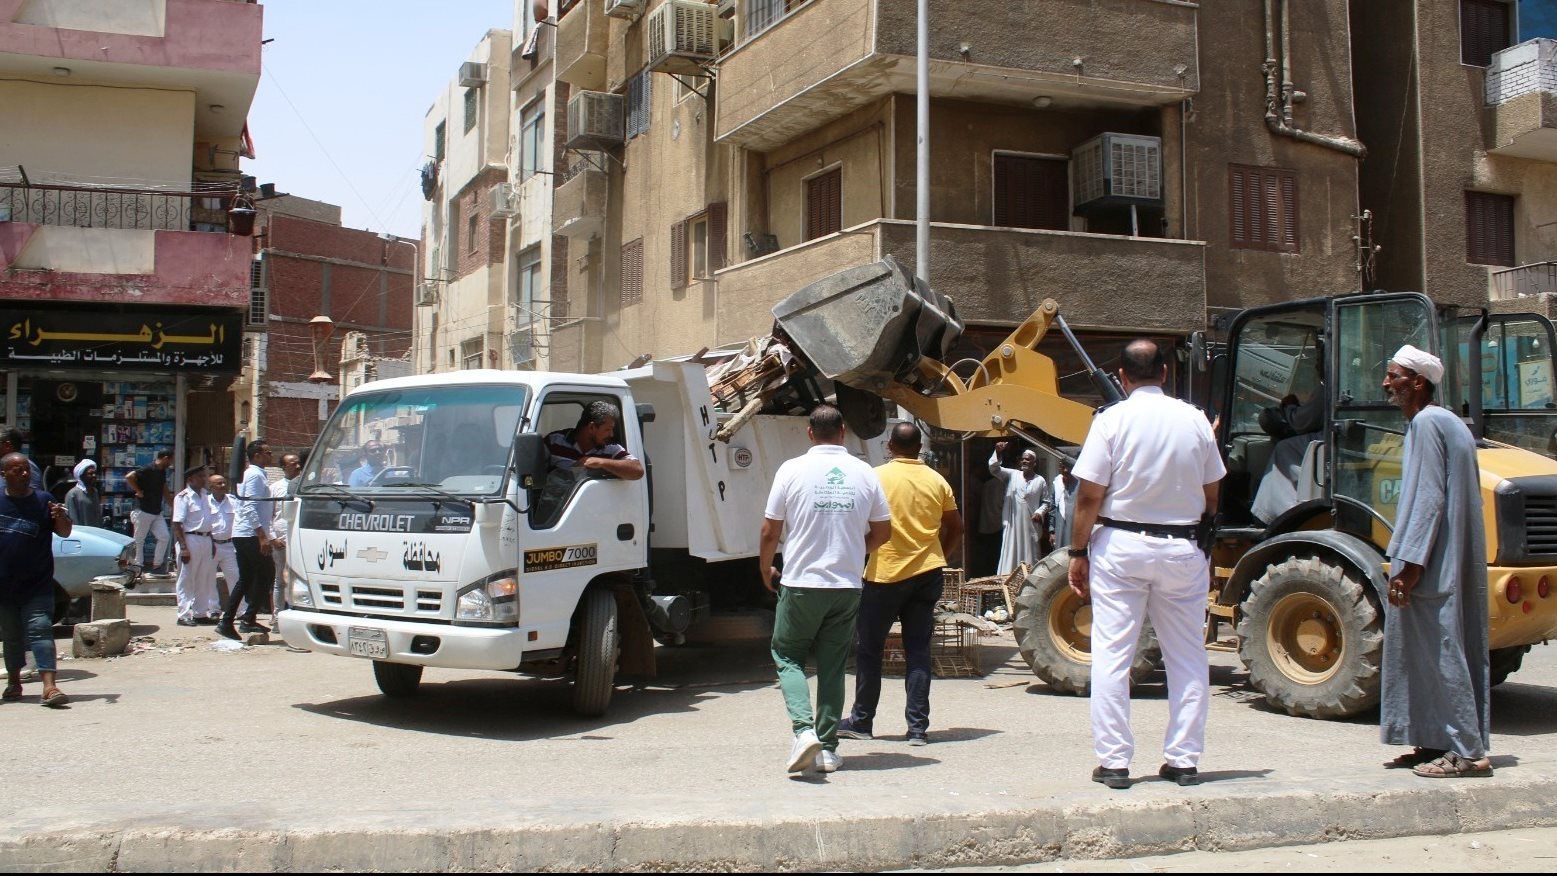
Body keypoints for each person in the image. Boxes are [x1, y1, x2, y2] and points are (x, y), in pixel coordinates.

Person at [1068, 339, 1225, 790]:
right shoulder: (1195, 420)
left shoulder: (1111, 420)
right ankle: (1183, 760)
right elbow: (1213, 491)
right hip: (1183, 547)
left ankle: (1115, 763)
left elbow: (1090, 494)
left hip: (1122, 546)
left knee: (1114, 655)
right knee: (1188, 657)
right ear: (1165, 375)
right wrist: (1205, 543)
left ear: (1122, 377)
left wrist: (1078, 554)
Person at [1378, 345, 1493, 779]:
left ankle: (1467, 750)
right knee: (1431, 651)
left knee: (1442, 651)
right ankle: (1435, 739)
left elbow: (1428, 499)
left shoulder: (1427, 423)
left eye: (1394, 376)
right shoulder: (1448, 423)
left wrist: (1410, 563)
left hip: (1432, 562)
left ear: (1418, 382)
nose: (1387, 384)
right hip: (1447, 557)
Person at [759, 405, 891, 775]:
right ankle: (828, 749)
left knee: (787, 655)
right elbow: (883, 533)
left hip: (800, 582)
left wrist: (764, 566)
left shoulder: (791, 470)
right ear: (843, 431)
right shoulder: (865, 472)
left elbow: (770, 530)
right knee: (833, 667)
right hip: (846, 585)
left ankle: (803, 732)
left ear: (809, 433)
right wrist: (852, 550)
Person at [838, 422, 962, 747]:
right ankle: (917, 729)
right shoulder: (938, 481)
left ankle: (862, 721)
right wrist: (938, 554)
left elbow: (857, 520)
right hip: (927, 575)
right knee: (918, 651)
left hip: (885, 575)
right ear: (919, 447)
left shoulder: (876, 476)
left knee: (869, 650)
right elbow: (956, 528)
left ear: (890, 446)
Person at [0, 452, 73, 707]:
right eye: (16, 470)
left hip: (37, 583)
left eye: (25, 469)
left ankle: (49, 686)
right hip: (4, 586)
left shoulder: (44, 501)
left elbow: (64, 531)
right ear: (4, 474)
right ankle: (14, 683)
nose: (23, 473)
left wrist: (60, 516)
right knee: (10, 636)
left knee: (40, 629)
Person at [1251, 355, 1328, 525]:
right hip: (1331, 441)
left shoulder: (1327, 388)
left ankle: (1274, 514)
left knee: (1284, 448)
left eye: (1319, 360)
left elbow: (1301, 422)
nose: (1316, 365)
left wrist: (1289, 405)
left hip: (1327, 443)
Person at [220, 439, 275, 640]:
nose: (271, 455)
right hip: (250, 534)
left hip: (245, 533)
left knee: (247, 578)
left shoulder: (257, 474)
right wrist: (262, 535)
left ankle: (232, 621)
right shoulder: (254, 475)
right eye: (268, 452)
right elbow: (249, 506)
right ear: (257, 455)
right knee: (267, 574)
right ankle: (245, 619)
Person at [989, 443, 1049, 575]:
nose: (1024, 461)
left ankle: (1029, 580)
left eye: (1028, 459)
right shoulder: (1012, 475)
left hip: (1030, 525)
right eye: (1023, 459)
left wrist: (1039, 512)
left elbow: (1046, 502)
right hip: (1013, 525)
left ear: (1034, 463)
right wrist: (998, 453)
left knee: (1030, 553)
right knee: (1011, 551)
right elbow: (994, 469)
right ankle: (1008, 579)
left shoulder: (1040, 481)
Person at [545, 400, 645, 480]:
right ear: (592, 427)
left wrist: (600, 462)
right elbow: (533, 474)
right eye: (608, 429)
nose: (611, 434)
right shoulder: (554, 441)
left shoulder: (610, 448)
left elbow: (638, 471)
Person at [170, 465, 215, 628]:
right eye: (200, 476)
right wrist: (183, 547)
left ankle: (200, 613)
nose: (204, 479)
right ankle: (183, 614)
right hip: (190, 539)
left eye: (204, 476)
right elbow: (177, 524)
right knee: (186, 579)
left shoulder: (206, 496)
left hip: (206, 538)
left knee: (204, 578)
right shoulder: (183, 497)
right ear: (191, 479)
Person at [125, 449, 175, 577]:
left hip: (156, 511)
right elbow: (129, 477)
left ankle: (157, 565)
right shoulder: (148, 468)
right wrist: (138, 491)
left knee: (164, 536)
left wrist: (172, 505)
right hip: (143, 509)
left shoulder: (162, 471)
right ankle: (138, 567)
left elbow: (164, 488)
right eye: (171, 459)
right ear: (165, 458)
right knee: (139, 540)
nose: (171, 462)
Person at [271, 453, 303, 619]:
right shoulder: (276, 487)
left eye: (298, 463)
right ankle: (277, 616)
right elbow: (268, 515)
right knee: (280, 580)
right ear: (283, 467)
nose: (297, 466)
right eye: (292, 464)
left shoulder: (305, 485)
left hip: (300, 541)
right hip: (281, 540)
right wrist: (272, 538)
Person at [206, 474, 240, 625]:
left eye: (223, 483)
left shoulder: (233, 500)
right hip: (210, 544)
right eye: (218, 484)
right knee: (209, 579)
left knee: (235, 577)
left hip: (229, 545)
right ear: (211, 487)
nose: (222, 486)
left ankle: (240, 611)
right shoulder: (205, 502)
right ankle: (213, 610)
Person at [975, 466, 1007, 576]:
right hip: (997, 525)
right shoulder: (1002, 485)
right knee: (997, 556)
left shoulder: (987, 484)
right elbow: (1001, 504)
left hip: (985, 524)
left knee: (988, 556)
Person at [1050, 457, 1079, 552]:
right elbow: (1053, 508)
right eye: (1062, 467)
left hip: (1075, 529)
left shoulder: (1080, 483)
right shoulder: (1057, 482)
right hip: (1060, 529)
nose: (1065, 470)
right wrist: (1052, 531)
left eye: (1068, 468)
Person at [64, 459, 102, 527]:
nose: (94, 475)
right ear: (81, 476)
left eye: (95, 473)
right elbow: (73, 521)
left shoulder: (95, 492)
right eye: (90, 473)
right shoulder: (73, 494)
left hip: (97, 534)